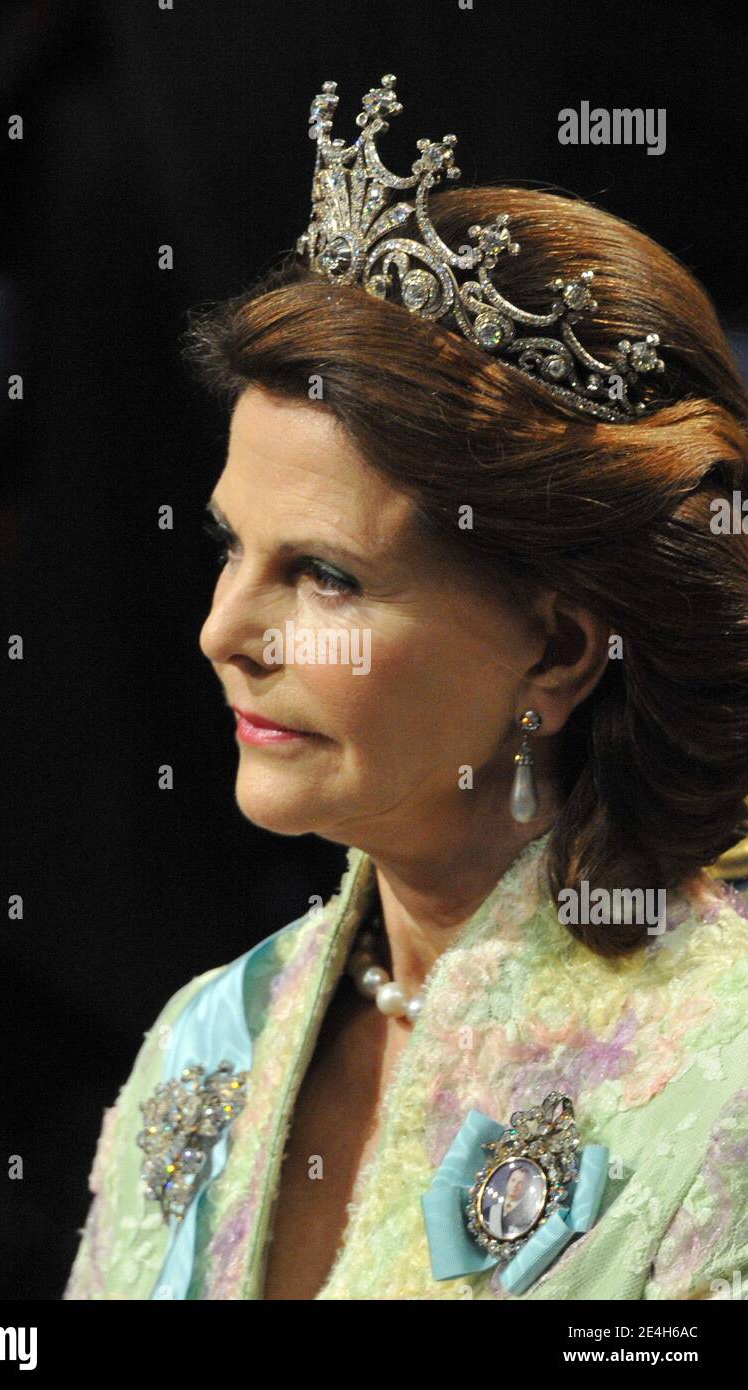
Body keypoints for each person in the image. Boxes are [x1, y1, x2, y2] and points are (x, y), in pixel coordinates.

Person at [64, 75, 748, 1300]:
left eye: (323, 575)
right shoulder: (208, 1037)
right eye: (230, 547)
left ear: (557, 652)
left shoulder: (723, 1087)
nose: (226, 630)